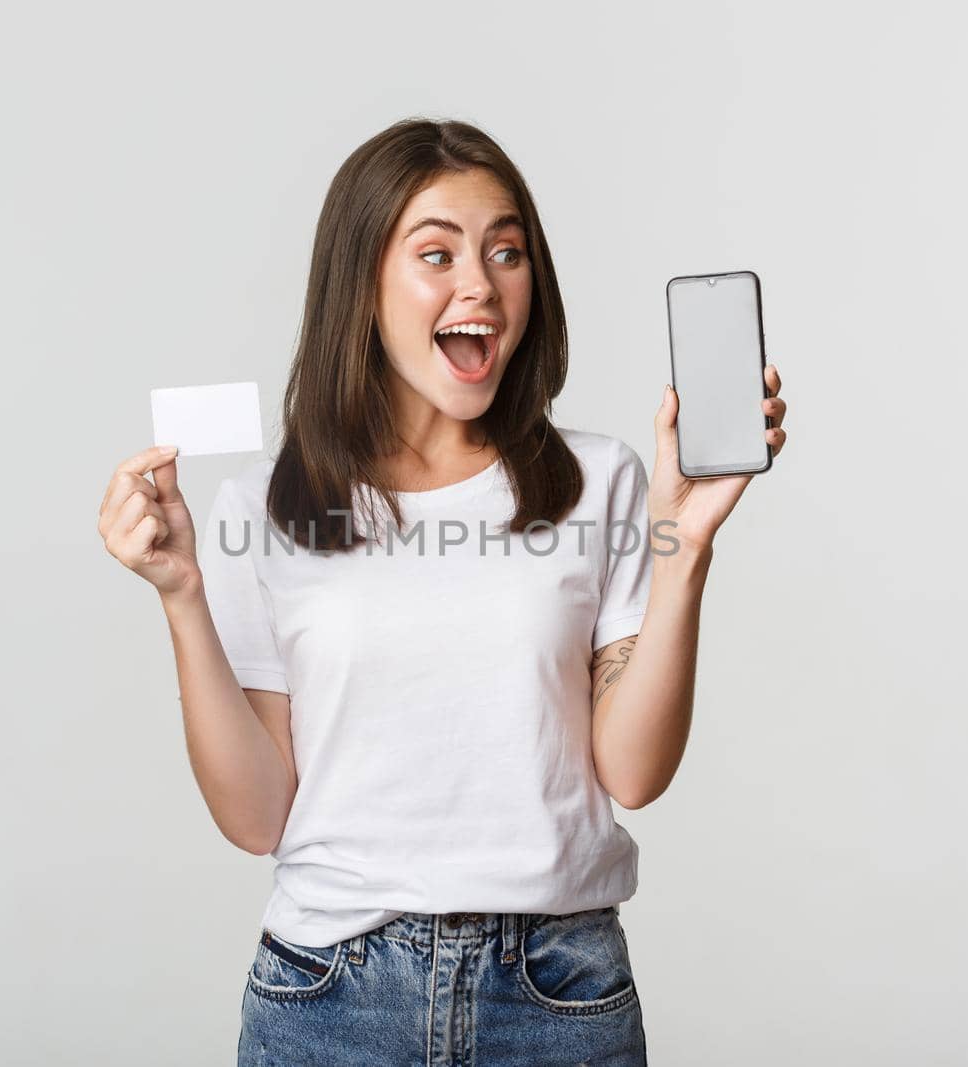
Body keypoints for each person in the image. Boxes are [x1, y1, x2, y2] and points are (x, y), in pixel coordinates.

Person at [98, 117, 789, 1066]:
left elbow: (634, 772)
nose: (482, 284)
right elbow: (256, 815)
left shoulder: (603, 480)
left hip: (558, 992)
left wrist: (687, 551)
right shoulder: (265, 504)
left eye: (507, 251)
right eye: (438, 253)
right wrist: (180, 593)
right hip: (330, 996)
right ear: (363, 285)